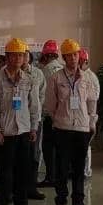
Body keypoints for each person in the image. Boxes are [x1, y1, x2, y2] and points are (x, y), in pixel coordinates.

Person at [0, 39, 40, 205]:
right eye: (14, 55)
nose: (18, 59)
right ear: (7, 57)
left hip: (24, 131)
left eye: (21, 55)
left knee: (23, 171)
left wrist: (34, 128)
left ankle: (21, 204)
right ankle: (1, 204)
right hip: (5, 132)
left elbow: (34, 106)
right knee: (4, 172)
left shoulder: (29, 79)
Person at [44, 39, 98, 205]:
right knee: (62, 166)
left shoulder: (87, 78)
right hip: (63, 128)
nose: (73, 58)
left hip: (82, 128)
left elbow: (91, 102)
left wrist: (91, 122)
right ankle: (60, 200)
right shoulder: (56, 78)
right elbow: (50, 104)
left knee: (79, 167)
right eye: (69, 55)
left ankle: (78, 200)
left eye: (75, 54)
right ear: (64, 57)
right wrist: (59, 119)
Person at [19, 51, 47, 203]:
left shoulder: (38, 74)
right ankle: (16, 190)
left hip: (34, 120)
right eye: (18, 55)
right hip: (16, 121)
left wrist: (35, 112)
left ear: (29, 58)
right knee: (17, 156)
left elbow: (42, 95)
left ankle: (32, 187)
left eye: (24, 55)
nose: (21, 58)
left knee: (34, 153)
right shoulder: (7, 73)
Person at [36, 40, 65, 187]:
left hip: (49, 115)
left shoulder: (44, 71)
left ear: (46, 56)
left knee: (48, 147)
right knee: (60, 148)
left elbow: (41, 94)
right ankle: (59, 176)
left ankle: (50, 177)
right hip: (63, 116)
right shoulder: (63, 69)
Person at [80, 48, 99, 179]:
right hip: (81, 116)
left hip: (88, 115)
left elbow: (93, 99)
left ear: (84, 61)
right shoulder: (80, 75)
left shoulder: (90, 77)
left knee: (85, 146)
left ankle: (86, 171)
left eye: (79, 61)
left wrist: (91, 120)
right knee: (81, 146)